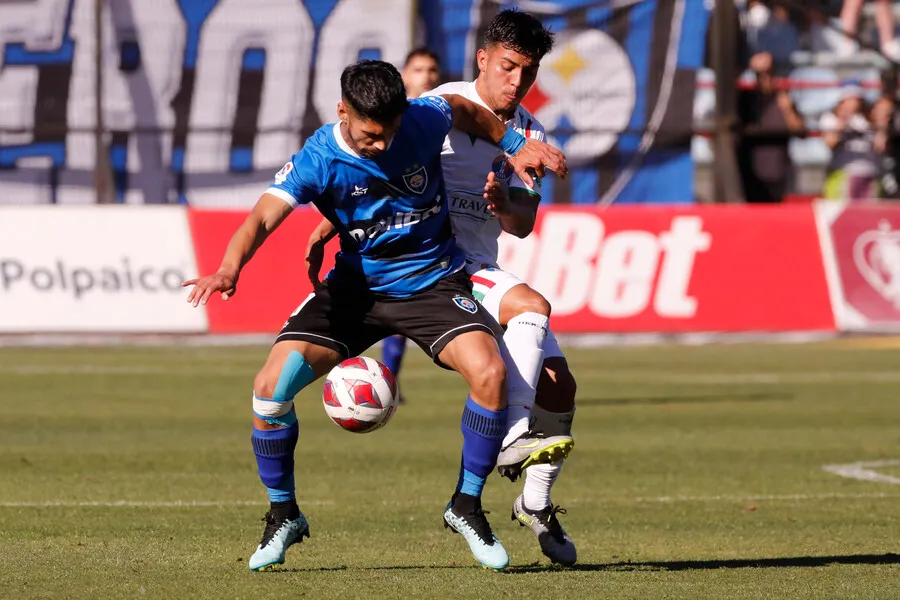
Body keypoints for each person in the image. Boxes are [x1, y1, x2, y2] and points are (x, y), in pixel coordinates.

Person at [184, 59, 566, 572]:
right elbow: (262, 215)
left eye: (390, 133)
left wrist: (516, 144)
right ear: (343, 111)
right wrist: (229, 269)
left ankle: (466, 506)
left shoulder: (420, 119)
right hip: (355, 292)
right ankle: (283, 515)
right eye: (370, 136)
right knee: (268, 391)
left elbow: (459, 107)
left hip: (432, 282)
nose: (383, 146)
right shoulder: (320, 157)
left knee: (491, 373)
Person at [307, 9, 578, 566]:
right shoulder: (438, 105)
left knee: (560, 383)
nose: (516, 82)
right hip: (436, 261)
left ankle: (535, 502)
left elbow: (524, 223)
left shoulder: (532, 131)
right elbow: (378, 165)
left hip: (481, 260)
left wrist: (508, 205)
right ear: (483, 58)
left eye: (528, 73)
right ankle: (511, 432)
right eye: (508, 67)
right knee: (532, 307)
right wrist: (331, 222)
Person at [381, 48, 444, 403]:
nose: (427, 75)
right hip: (397, 220)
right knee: (397, 305)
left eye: (432, 68)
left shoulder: (445, 113)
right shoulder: (392, 117)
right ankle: (385, 379)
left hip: (439, 218)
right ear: (405, 75)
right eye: (419, 69)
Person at [737, 51, 805, 203]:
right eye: (760, 74)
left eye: (769, 73)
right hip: (751, 172)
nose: (765, 79)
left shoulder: (783, 98)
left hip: (779, 172)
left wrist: (787, 109)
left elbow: (800, 131)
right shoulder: (746, 98)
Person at [821, 82, 884, 201]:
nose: (854, 103)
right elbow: (831, 142)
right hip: (844, 173)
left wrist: (879, 120)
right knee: (845, 214)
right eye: (850, 99)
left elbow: (880, 146)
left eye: (857, 99)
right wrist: (844, 119)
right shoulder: (831, 118)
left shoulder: (868, 119)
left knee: (868, 216)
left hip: (870, 173)